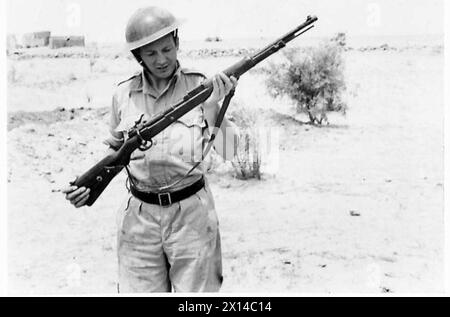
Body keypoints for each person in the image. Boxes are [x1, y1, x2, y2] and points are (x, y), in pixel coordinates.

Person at [62, 6, 239, 293]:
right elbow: (115, 154)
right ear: (138, 56)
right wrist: (85, 186)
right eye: (151, 53)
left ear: (177, 43)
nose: (162, 60)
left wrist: (211, 105)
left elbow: (231, 152)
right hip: (139, 219)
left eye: (167, 49)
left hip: (192, 216)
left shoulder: (200, 86)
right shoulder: (123, 94)